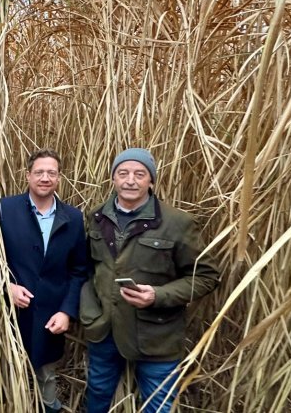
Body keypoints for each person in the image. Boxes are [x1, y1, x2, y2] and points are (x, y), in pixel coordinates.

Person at [80, 148, 220, 413]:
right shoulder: (96, 217)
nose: (130, 180)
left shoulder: (178, 223)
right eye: (123, 173)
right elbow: (88, 269)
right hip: (104, 329)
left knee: (159, 404)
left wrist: (158, 296)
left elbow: (206, 276)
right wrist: (90, 310)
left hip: (156, 334)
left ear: (151, 181)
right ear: (113, 178)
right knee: (97, 394)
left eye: (139, 174)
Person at [0, 149, 89, 412]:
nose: (45, 178)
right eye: (39, 172)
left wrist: (67, 311)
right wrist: (6, 287)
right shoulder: (4, 209)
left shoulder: (73, 218)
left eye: (51, 172)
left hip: (51, 316)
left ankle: (49, 407)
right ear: (28, 176)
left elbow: (79, 270)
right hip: (10, 314)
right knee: (6, 373)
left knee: (46, 376)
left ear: (59, 178)